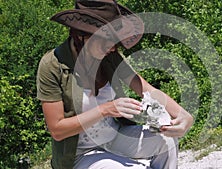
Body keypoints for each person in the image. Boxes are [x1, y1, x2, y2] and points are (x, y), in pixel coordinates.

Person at [36, 0, 194, 168]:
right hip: (79, 153)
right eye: (107, 41)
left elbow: (145, 88)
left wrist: (184, 116)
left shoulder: (110, 57)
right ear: (81, 35)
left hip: (114, 138)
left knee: (166, 141)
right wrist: (105, 110)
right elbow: (57, 130)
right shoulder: (52, 65)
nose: (112, 48)